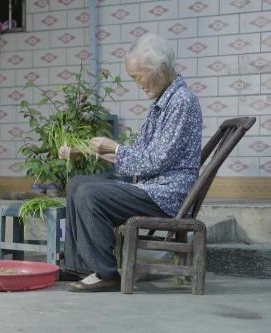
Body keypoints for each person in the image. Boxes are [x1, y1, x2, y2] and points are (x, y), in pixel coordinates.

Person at [58, 33, 202, 292]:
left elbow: (157, 159)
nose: (138, 84)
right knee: (78, 183)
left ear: (158, 70)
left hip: (167, 193)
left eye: (139, 76)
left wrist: (115, 147)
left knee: (90, 193)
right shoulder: (164, 101)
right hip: (152, 187)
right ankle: (81, 265)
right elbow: (143, 154)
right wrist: (89, 152)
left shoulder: (181, 101)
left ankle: (106, 272)